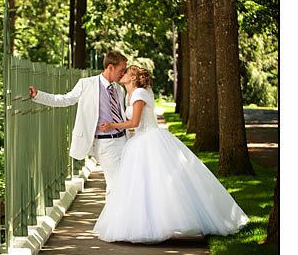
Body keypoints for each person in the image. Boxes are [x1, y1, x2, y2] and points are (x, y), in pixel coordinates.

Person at [92, 66, 249, 243]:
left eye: (126, 72)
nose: (123, 74)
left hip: (149, 139)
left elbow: (135, 122)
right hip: (138, 142)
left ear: (134, 78)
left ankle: (158, 224)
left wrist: (112, 126)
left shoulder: (139, 94)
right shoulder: (128, 94)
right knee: (140, 185)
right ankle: (143, 224)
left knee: (158, 184)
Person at [29, 51, 128, 201]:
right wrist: (39, 95)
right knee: (116, 185)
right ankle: (112, 222)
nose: (124, 74)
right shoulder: (86, 84)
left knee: (124, 183)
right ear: (110, 67)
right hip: (105, 143)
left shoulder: (119, 89)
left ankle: (117, 220)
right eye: (122, 70)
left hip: (123, 141)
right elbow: (65, 99)